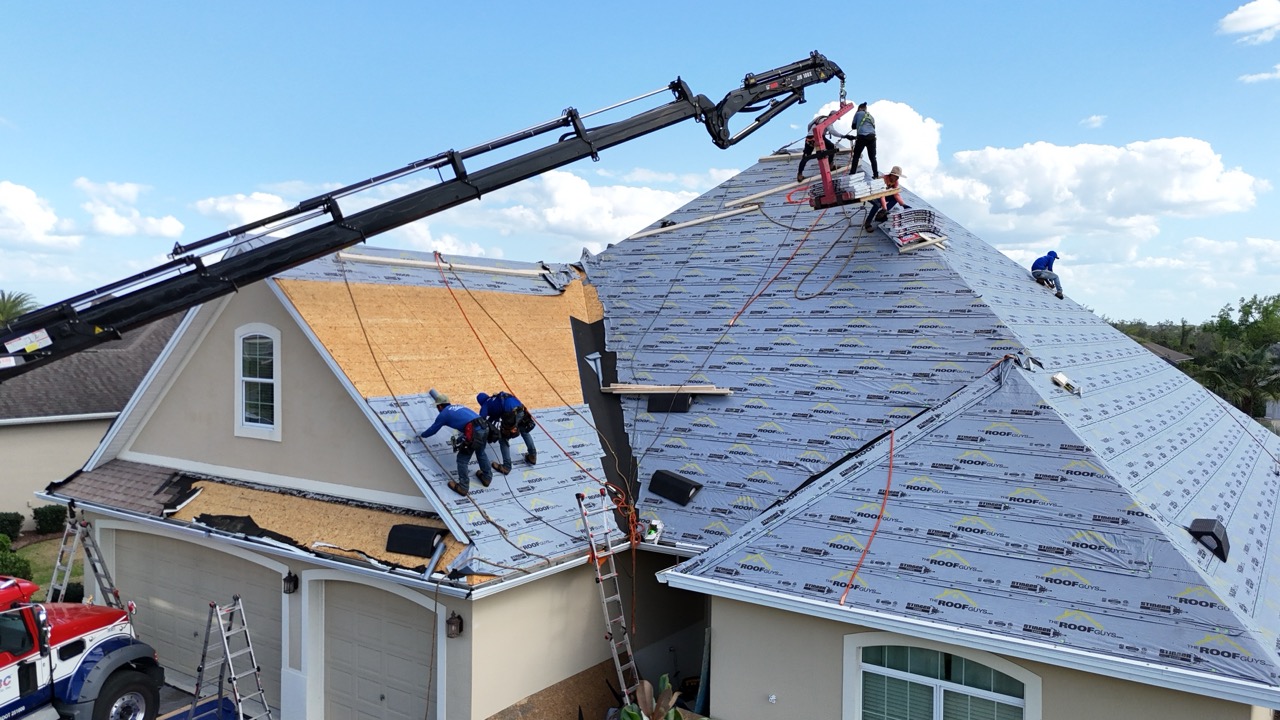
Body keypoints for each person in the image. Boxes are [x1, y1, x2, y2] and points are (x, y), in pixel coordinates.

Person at [419, 390, 493, 496]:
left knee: (462, 460)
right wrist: (461, 439)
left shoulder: (444, 414)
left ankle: (463, 487)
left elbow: (432, 430)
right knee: (481, 452)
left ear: (439, 407)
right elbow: (469, 424)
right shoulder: (459, 407)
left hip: (474, 431)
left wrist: (421, 435)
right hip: (484, 427)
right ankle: (487, 477)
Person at [477, 391, 538, 474]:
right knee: (524, 431)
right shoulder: (495, 399)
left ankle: (506, 467)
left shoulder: (485, 405)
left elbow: (481, 421)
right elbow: (495, 416)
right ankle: (532, 456)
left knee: (503, 439)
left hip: (511, 414)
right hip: (520, 408)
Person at [796, 111, 849, 183]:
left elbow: (809, 125)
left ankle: (799, 174)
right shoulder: (828, 121)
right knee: (831, 147)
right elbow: (832, 131)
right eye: (836, 119)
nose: (835, 120)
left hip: (809, 138)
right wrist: (844, 136)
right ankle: (830, 166)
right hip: (818, 137)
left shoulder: (820, 118)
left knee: (806, 156)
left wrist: (810, 133)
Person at [862, 166, 910, 232]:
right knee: (877, 205)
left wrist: (903, 204)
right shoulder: (883, 179)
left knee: (894, 199)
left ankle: (880, 215)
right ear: (892, 175)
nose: (897, 178)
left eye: (898, 177)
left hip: (881, 195)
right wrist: (885, 208)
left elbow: (896, 193)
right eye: (896, 176)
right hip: (872, 194)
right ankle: (867, 223)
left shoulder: (895, 182)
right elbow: (882, 194)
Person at [848, 102, 879, 179]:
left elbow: (853, 126)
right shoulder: (871, 117)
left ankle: (852, 174)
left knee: (856, 156)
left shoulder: (858, 114)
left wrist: (857, 115)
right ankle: (876, 175)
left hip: (862, 137)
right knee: (872, 157)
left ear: (860, 108)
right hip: (872, 137)